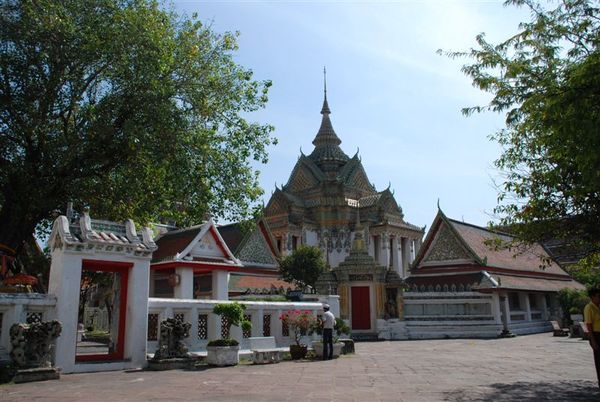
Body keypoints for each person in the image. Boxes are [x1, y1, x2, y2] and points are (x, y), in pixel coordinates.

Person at [584, 287, 600, 388]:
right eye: (598, 296)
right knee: (599, 361)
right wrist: (592, 341)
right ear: (592, 297)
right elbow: (589, 325)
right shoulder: (589, 308)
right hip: (596, 335)